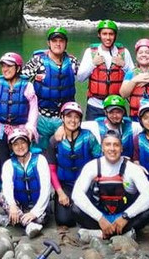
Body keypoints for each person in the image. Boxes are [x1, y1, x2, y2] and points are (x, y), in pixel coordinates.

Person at [71, 131, 149, 239]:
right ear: (102, 148)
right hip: (100, 217)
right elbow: (76, 194)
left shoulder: (132, 168)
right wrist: (100, 218)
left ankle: (100, 234)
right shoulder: (91, 166)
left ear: (121, 148)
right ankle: (117, 234)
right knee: (75, 209)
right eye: (108, 144)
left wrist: (126, 216)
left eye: (116, 145)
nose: (112, 149)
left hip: (123, 217)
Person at [46, 101, 101, 244]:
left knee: (85, 213)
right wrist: (60, 193)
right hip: (66, 185)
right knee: (64, 220)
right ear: (62, 118)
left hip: (86, 184)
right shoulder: (54, 140)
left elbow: (99, 160)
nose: (73, 120)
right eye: (68, 116)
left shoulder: (89, 137)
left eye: (76, 117)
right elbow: (51, 169)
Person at [23, 26, 78, 151]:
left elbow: (85, 75)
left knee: (64, 152)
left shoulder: (72, 61)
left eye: (61, 41)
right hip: (41, 116)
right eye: (54, 41)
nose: (58, 44)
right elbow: (20, 81)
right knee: (39, 151)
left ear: (66, 43)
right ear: (49, 43)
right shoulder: (38, 61)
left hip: (63, 118)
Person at [0, 52, 39, 161]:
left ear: (18, 68)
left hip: (20, 130)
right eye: (3, 66)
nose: (5, 69)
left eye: (9, 66)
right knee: (0, 160)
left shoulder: (28, 87)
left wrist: (30, 128)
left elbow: (33, 110)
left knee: (20, 160)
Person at [0, 127, 52, 237]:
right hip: (19, 205)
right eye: (15, 144)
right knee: (1, 197)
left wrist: (34, 212)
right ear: (11, 147)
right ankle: (28, 225)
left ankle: (9, 220)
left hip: (37, 204)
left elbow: (46, 188)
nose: (20, 147)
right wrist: (12, 206)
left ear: (28, 143)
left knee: (40, 219)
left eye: (23, 142)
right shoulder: (8, 164)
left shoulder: (40, 160)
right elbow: (7, 187)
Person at [76, 20, 133, 119]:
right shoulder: (90, 52)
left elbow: (134, 78)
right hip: (95, 105)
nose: (108, 37)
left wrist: (123, 65)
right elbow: (80, 78)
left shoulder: (124, 53)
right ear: (99, 35)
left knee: (120, 134)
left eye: (111, 34)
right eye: (104, 34)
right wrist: (93, 64)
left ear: (115, 36)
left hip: (117, 105)